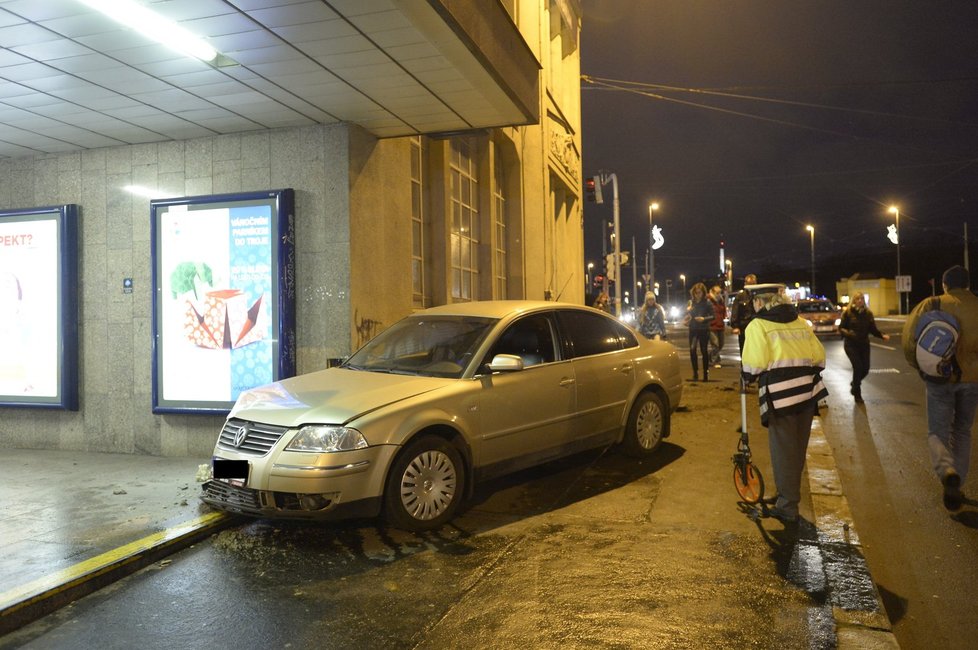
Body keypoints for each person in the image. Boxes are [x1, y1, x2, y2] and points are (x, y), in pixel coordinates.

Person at [742, 286, 828, 523]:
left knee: (783, 451)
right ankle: (785, 496)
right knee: (797, 450)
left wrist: (747, 375)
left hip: (781, 397)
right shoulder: (800, 321)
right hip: (808, 394)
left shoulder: (758, 325)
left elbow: (753, 366)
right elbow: (819, 357)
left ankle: (788, 506)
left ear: (760, 303)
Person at [902, 265, 978, 512]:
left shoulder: (932, 304)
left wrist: (923, 369)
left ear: (945, 285)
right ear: (967, 284)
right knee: (963, 431)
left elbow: (909, 340)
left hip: (939, 379)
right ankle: (958, 483)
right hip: (972, 380)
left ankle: (947, 471)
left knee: (938, 431)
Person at [838, 291, 890, 403]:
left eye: (861, 298)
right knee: (858, 367)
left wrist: (882, 335)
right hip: (851, 345)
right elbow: (841, 328)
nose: (860, 300)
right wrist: (849, 334)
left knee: (865, 369)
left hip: (864, 344)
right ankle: (857, 394)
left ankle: (855, 383)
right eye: (857, 299)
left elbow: (873, 329)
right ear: (854, 300)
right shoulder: (847, 313)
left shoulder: (868, 313)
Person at [686, 282, 714, 381]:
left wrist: (704, 319)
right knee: (692, 349)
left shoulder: (707, 303)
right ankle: (695, 372)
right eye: (696, 293)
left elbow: (713, 316)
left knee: (704, 350)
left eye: (699, 293)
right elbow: (688, 316)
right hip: (693, 329)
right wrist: (687, 318)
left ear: (703, 293)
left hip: (703, 329)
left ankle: (705, 373)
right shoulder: (691, 303)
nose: (698, 295)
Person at [730, 273, 758, 355]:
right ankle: (744, 367)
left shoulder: (759, 295)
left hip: (756, 326)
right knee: (744, 350)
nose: (751, 286)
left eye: (753, 284)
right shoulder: (740, 296)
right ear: (745, 284)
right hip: (744, 326)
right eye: (749, 284)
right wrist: (735, 326)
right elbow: (735, 311)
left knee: (756, 349)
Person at [708, 284, 727, 367]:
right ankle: (715, 361)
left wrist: (723, 317)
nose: (719, 294)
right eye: (717, 292)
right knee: (715, 344)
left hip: (720, 325)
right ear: (712, 292)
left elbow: (723, 311)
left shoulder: (721, 301)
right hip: (711, 325)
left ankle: (710, 356)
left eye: (720, 292)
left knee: (721, 344)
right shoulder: (708, 300)